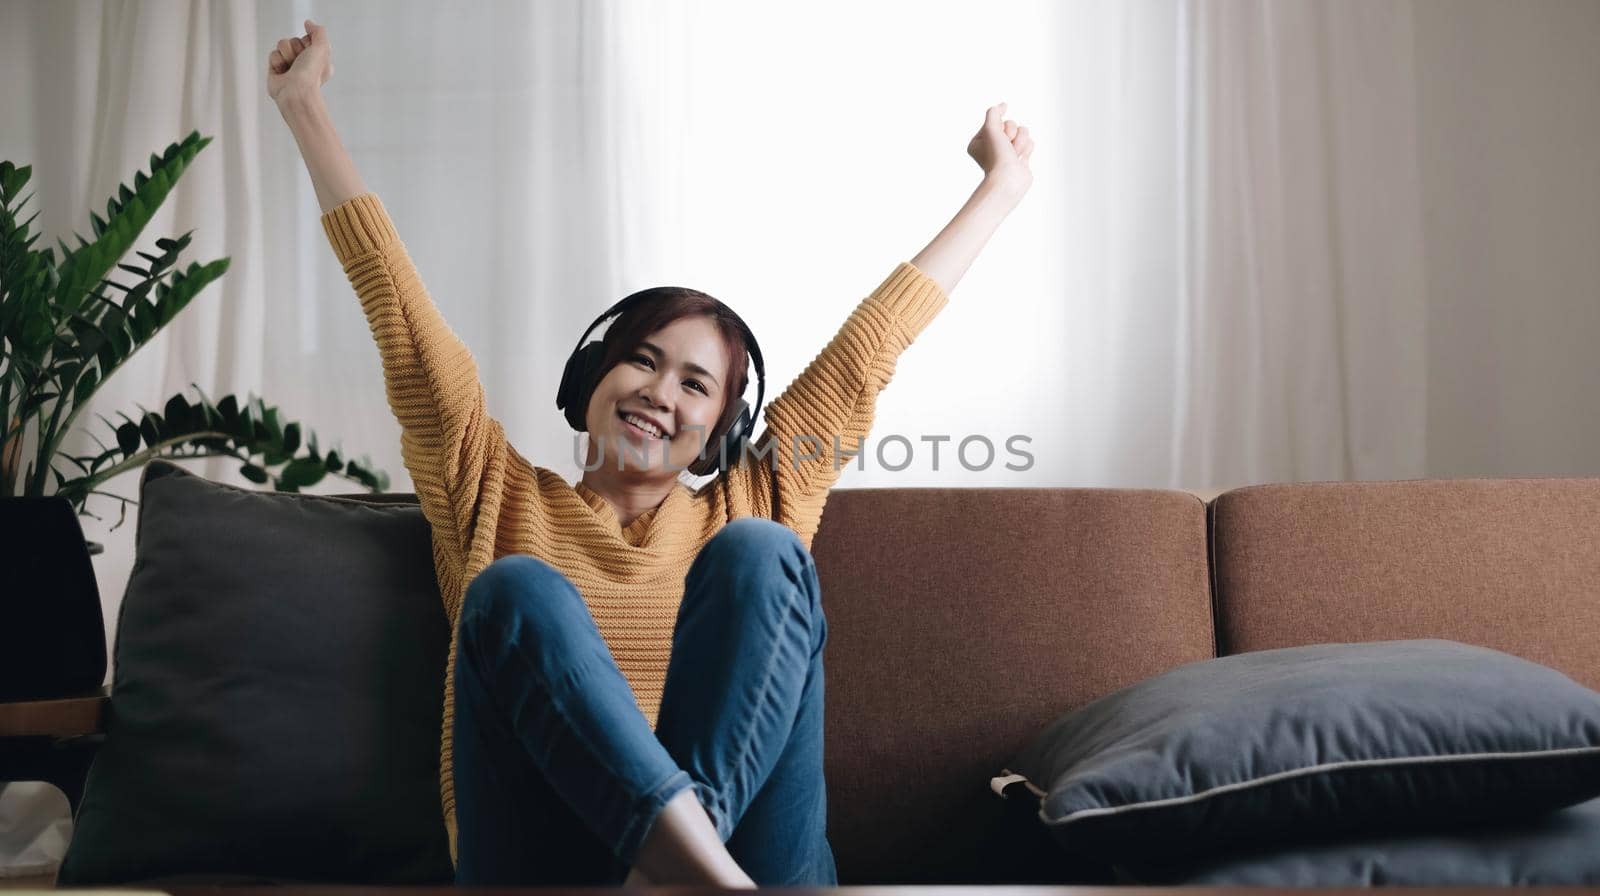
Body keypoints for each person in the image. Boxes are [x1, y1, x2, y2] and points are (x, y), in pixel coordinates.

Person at [267, 17, 1034, 888]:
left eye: (696, 385)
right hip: (552, 864)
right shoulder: (492, 491)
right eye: (641, 358)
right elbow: (404, 325)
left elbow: (869, 350)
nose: (660, 392)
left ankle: (675, 872)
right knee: (513, 588)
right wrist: (305, 111)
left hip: (753, 851)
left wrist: (1000, 188)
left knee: (762, 555)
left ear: (721, 432)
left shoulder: (755, 499)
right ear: (592, 376)